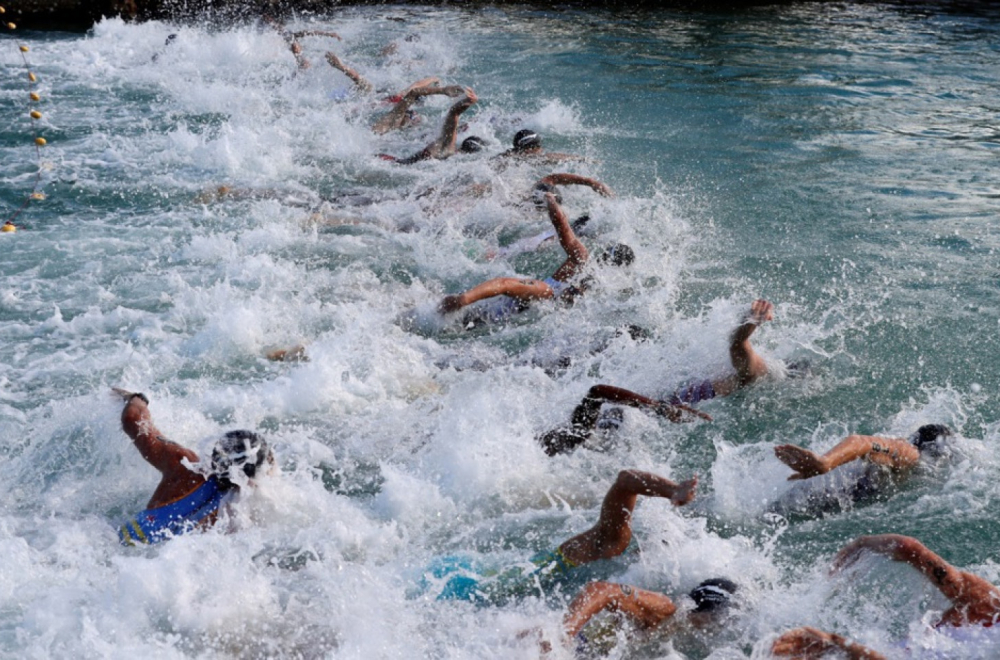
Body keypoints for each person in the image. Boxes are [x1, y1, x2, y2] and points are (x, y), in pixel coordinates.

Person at [539, 299, 774, 456]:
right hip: (664, 406)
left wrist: (659, 408)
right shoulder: (584, 444)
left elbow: (597, 391)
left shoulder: (577, 434)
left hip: (661, 406)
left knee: (746, 373)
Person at [431, 470, 698, 604]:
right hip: (495, 586)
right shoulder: (615, 544)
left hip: (512, 579)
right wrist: (671, 489)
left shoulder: (627, 576)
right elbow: (626, 479)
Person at [771, 534, 1000, 659]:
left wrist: (835, 644)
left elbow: (908, 546)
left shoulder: (989, 605)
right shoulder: (990, 605)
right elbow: (908, 547)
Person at [436, 190, 632, 328]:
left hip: (485, 320)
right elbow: (505, 284)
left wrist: (552, 203)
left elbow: (564, 230)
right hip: (480, 318)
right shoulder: (551, 292)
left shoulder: (553, 290)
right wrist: (464, 300)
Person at [113, 388, 273, 545]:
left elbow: (132, 418)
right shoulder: (246, 515)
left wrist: (137, 399)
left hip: (121, 548)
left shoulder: (185, 468)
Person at [770, 425, 951, 515]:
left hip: (826, 497)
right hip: (815, 493)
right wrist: (825, 463)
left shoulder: (918, 468)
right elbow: (861, 442)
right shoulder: (910, 453)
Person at [561, 577, 738, 655]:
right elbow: (601, 590)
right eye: (716, 617)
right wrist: (563, 637)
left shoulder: (698, 640)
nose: (721, 623)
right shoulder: (665, 610)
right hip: (573, 647)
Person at [377, 87, 481, 164]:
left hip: (391, 161)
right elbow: (453, 115)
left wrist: (444, 91)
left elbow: (453, 114)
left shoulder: (446, 147)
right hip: (394, 163)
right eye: (414, 116)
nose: (417, 118)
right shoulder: (446, 149)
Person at [495, 129, 586, 165]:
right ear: (528, 149)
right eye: (538, 146)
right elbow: (549, 158)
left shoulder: (508, 155)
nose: (541, 149)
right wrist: (579, 159)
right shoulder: (517, 159)